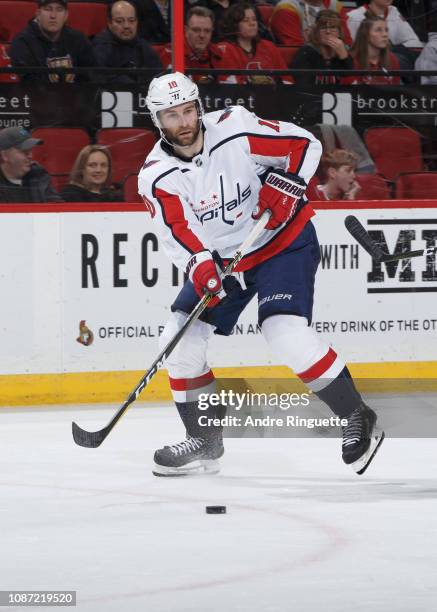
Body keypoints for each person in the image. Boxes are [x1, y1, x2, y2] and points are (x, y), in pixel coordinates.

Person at [138, 72, 384, 477]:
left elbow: (306, 145)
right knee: (178, 339)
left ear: (199, 107)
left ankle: (357, 416)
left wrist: (289, 184)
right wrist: (201, 266)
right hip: (227, 261)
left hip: (281, 241)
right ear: (157, 120)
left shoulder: (235, 129)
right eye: (170, 116)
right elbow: (178, 232)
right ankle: (205, 438)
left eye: (187, 111)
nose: (182, 123)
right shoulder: (156, 175)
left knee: (284, 332)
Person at [9, 0, 96, 83]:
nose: (53, 16)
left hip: (76, 95)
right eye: (48, 9)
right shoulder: (22, 42)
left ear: (66, 15)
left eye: (59, 10)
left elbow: (92, 75)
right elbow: (29, 83)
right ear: (38, 14)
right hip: (38, 97)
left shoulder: (79, 39)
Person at [217, 2, 291, 84]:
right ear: (234, 25)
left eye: (254, 19)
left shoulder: (269, 46)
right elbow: (230, 84)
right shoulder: (225, 49)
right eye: (246, 20)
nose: (252, 23)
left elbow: (286, 79)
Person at [92, 0, 162, 84]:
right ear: (109, 23)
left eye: (131, 20)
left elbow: (159, 78)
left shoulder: (144, 47)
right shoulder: (100, 48)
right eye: (119, 21)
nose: (126, 26)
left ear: (137, 22)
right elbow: (99, 81)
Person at [159, 6, 224, 83]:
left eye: (207, 31)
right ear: (186, 30)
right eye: (196, 30)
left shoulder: (217, 53)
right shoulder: (172, 54)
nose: (202, 35)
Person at [291, 9, 353, 85]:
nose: (328, 31)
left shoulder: (344, 50)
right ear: (316, 32)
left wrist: (344, 57)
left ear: (339, 32)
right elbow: (304, 84)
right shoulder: (306, 52)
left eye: (333, 27)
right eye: (323, 28)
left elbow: (351, 80)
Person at [0, 127, 62, 202]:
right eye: (24, 151)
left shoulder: (38, 174)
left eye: (30, 150)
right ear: (4, 155)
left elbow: (56, 208)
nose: (30, 156)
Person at [270, 0, 352, 47]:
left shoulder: (335, 5)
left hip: (338, 63)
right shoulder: (286, 9)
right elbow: (295, 49)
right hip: (305, 66)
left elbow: (347, 42)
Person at [347, 0, 422, 48]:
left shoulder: (393, 11)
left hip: (394, 58)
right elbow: (353, 47)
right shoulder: (355, 16)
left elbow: (414, 41)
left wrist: (397, 50)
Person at [350, 15, 400, 85]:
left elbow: (397, 90)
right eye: (378, 30)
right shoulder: (352, 60)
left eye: (386, 30)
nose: (385, 34)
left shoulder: (392, 59)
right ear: (366, 34)